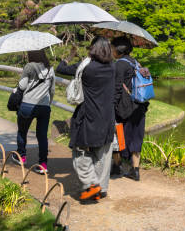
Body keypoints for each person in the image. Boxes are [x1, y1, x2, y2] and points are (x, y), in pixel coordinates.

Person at [57, 37, 115, 201]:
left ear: (93, 49)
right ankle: (101, 189)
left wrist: (70, 56)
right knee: (103, 154)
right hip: (107, 117)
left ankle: (91, 184)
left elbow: (61, 69)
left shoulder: (86, 68)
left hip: (88, 116)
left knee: (80, 151)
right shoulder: (112, 67)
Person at [112, 36, 149, 182]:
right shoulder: (136, 63)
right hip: (139, 105)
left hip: (124, 108)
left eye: (112, 47)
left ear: (118, 50)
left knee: (118, 134)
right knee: (136, 137)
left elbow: (116, 88)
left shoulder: (119, 65)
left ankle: (117, 165)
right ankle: (135, 170)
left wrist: (111, 105)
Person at [12, 50, 55, 175]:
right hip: (44, 107)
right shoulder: (50, 69)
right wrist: (48, 103)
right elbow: (52, 90)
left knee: (22, 131)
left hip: (27, 105)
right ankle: (43, 164)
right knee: (42, 136)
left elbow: (22, 85)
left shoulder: (29, 66)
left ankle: (21, 156)